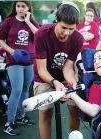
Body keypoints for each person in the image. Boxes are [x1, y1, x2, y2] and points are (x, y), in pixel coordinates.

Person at [33, 2, 84, 139]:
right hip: (44, 77)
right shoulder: (41, 34)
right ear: (56, 20)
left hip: (65, 77)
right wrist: (55, 82)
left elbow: (68, 67)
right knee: (45, 114)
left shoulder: (78, 38)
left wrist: (71, 83)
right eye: (63, 27)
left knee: (74, 108)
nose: (66, 32)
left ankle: (74, 136)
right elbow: (41, 69)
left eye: (71, 29)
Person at [0, 1, 39, 136]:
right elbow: (0, 39)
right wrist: (11, 51)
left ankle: (21, 117)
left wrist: (28, 21)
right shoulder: (9, 21)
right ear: (15, 7)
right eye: (18, 6)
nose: (20, 9)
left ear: (28, 8)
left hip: (30, 61)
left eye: (23, 6)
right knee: (17, 90)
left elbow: (39, 36)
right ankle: (8, 124)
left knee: (26, 89)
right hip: (13, 60)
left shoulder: (31, 21)